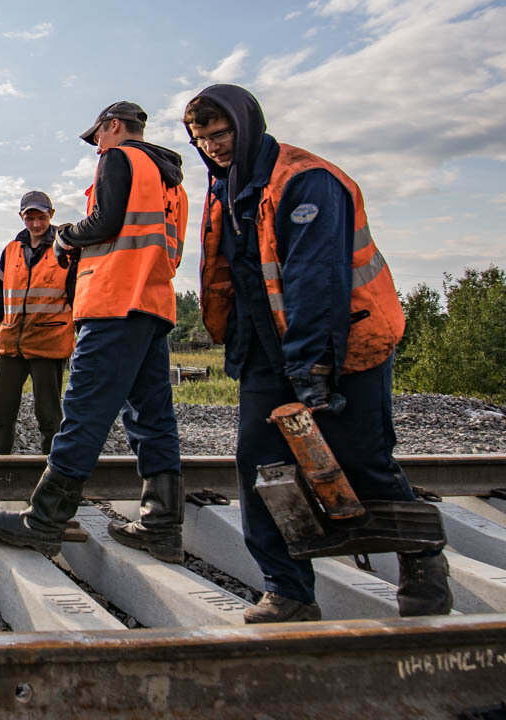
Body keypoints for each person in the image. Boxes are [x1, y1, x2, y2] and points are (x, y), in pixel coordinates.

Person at [184, 84, 452, 623]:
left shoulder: (306, 181)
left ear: (248, 123)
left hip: (345, 344)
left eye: (221, 133)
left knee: (363, 461)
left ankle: (422, 562)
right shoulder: (227, 188)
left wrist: (313, 371)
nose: (213, 145)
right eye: (202, 138)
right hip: (265, 346)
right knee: (261, 469)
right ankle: (288, 591)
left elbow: (316, 282)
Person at [0, 102, 188, 563]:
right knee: (152, 416)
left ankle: (44, 521)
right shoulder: (170, 178)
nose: (97, 146)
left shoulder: (120, 159)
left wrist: (68, 236)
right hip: (153, 304)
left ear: (113, 127)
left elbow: (106, 222)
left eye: (97, 136)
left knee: (83, 410)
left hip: (114, 303)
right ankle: (162, 526)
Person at [0, 190, 75, 455]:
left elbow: (77, 297)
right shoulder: (11, 251)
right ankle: (0, 464)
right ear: (21, 217)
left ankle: (50, 467)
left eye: (41, 217)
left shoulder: (66, 249)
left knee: (48, 413)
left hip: (48, 343)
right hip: (11, 340)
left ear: (52, 215)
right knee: (0, 409)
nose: (36, 224)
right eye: (30, 218)